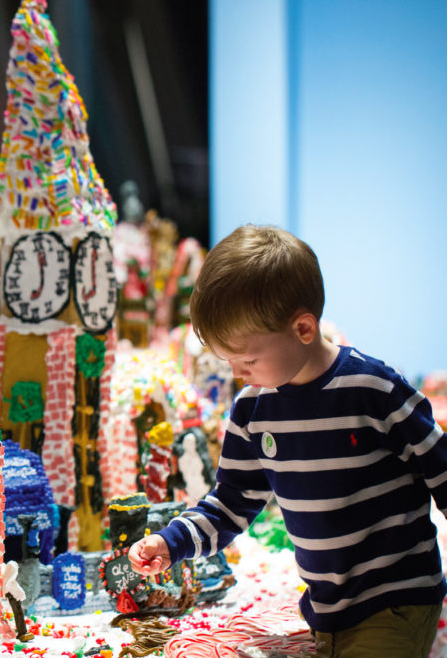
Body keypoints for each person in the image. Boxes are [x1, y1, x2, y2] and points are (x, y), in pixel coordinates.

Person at [127, 224, 446, 658]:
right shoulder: (253, 410)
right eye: (229, 360)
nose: (238, 372)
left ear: (303, 328)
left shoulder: (375, 390)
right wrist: (172, 542)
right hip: (326, 610)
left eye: (248, 359)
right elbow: (231, 502)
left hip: (396, 600)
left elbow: (441, 468)